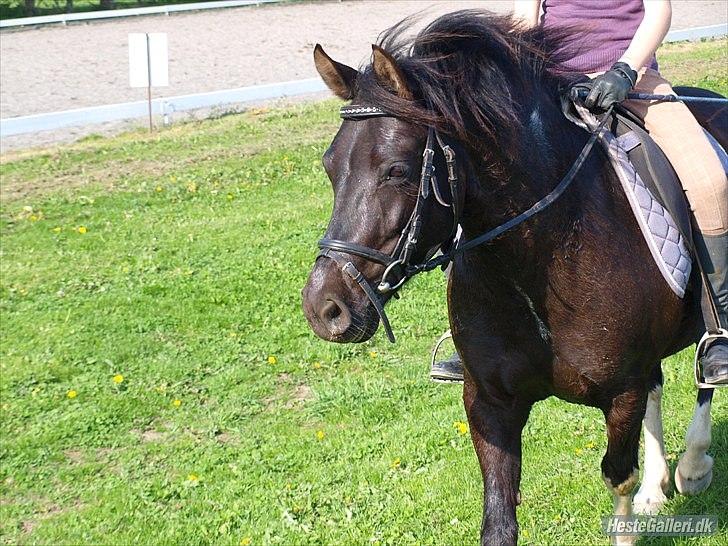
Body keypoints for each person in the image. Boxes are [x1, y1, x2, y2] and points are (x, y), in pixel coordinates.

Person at [430, 0, 728, 385]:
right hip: (549, 86)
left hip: (633, 82)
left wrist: (624, 71)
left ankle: (719, 329)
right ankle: (478, 330)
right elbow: (525, 19)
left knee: (710, 182)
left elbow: (659, 13)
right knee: (483, 179)